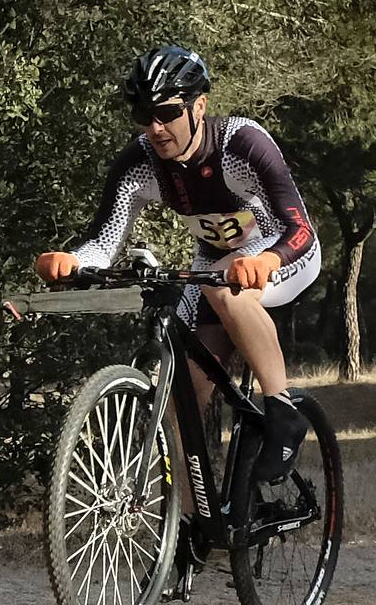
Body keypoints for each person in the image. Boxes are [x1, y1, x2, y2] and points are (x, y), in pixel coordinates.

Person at [34, 44, 320, 484]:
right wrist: (71, 259)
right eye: (144, 115)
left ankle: (282, 411)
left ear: (199, 105)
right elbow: (104, 241)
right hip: (212, 268)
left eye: (166, 112)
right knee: (177, 407)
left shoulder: (242, 144)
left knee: (228, 289)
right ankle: (187, 532)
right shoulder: (140, 161)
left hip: (281, 252)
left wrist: (266, 259)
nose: (155, 127)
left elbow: (297, 227)